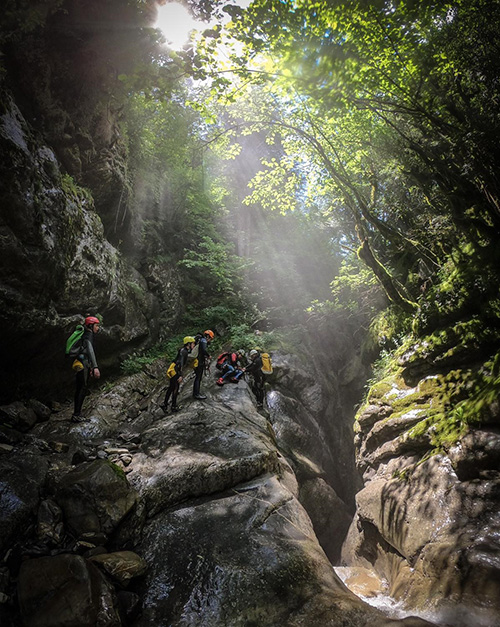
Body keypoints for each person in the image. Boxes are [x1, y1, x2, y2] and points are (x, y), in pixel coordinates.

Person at [72, 315, 101, 422]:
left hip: (81, 362)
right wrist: (95, 367)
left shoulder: (85, 334)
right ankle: (76, 415)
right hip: (82, 363)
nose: (98, 328)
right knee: (82, 388)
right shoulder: (88, 334)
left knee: (81, 387)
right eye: (97, 326)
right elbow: (90, 350)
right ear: (91, 325)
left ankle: (77, 413)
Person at [162, 336, 195, 413]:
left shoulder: (183, 350)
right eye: (193, 343)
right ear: (188, 344)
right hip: (175, 370)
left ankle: (165, 404)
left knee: (171, 387)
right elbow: (180, 364)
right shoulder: (184, 352)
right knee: (175, 388)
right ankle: (173, 406)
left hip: (173, 369)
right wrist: (180, 375)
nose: (194, 345)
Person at [193, 329, 214, 400]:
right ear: (208, 336)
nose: (210, 340)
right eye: (210, 338)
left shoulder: (200, 340)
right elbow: (204, 350)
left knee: (197, 378)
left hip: (196, 361)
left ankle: (196, 393)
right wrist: (208, 355)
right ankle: (196, 394)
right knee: (198, 378)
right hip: (199, 362)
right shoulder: (204, 341)